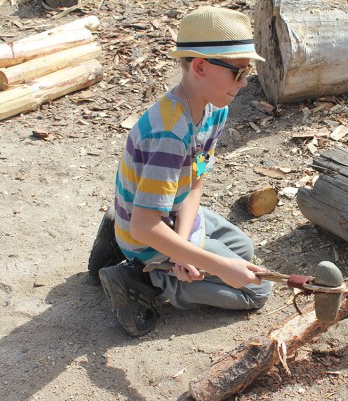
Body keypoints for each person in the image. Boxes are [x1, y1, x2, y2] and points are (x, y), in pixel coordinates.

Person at [88, 6, 272, 337]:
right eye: (239, 72)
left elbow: (195, 180)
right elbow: (146, 226)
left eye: (247, 73)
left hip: (170, 215)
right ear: (200, 66)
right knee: (256, 290)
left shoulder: (216, 110)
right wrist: (210, 264)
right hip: (146, 231)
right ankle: (143, 279)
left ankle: (129, 244)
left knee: (243, 252)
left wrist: (185, 243)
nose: (244, 83)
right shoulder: (169, 134)